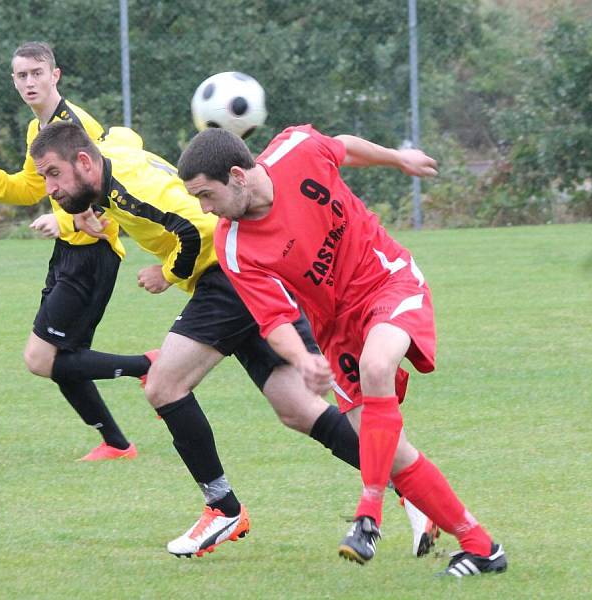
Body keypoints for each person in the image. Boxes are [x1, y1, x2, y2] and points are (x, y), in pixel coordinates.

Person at [27, 120, 437, 559]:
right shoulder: (113, 161)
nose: (49, 186)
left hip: (227, 276)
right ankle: (411, 488)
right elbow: (124, 140)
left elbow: (196, 229)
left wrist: (167, 275)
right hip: (237, 278)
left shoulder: (131, 186)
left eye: (53, 173)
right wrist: (89, 213)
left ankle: (222, 508)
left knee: (165, 384)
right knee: (297, 408)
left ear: (84, 161)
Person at [177, 125, 508, 576]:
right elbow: (273, 319)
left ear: (237, 175)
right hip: (335, 329)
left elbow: (344, 146)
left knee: (376, 366)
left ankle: (368, 515)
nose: (204, 208)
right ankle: (481, 547)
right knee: (392, 454)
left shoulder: (297, 150)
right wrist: (303, 358)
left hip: (386, 280)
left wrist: (398, 157)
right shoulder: (231, 244)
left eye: (206, 195)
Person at [0, 42, 154, 462]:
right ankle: (117, 445)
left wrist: (69, 218)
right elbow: (32, 188)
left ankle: (147, 366)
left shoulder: (77, 125)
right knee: (64, 357)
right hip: (69, 253)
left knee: (40, 358)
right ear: (13, 81)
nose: (29, 81)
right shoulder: (40, 130)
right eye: (21, 75)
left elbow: (109, 185)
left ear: (55, 75)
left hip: (93, 254)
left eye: (36, 73)